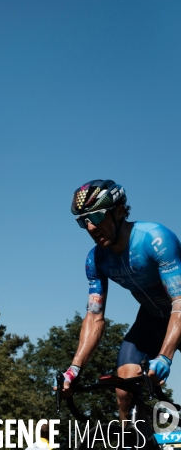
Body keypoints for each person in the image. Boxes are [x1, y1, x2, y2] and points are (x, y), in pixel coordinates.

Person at [60, 179, 181, 421]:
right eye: (82, 221)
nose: (90, 228)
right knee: (123, 384)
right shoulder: (96, 260)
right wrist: (74, 370)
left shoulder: (155, 239)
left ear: (118, 212)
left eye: (95, 218)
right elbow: (94, 317)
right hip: (151, 319)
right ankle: (129, 440)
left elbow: (179, 303)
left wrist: (165, 356)